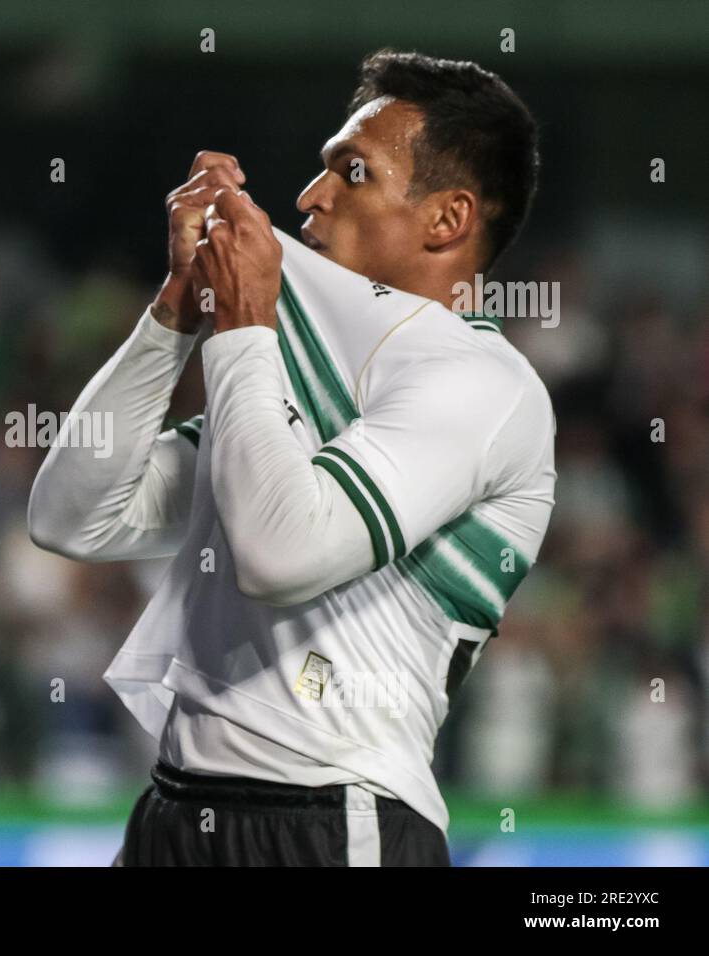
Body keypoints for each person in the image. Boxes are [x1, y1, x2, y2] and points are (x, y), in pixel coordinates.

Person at [28, 50, 555, 866]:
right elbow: (72, 516)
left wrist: (242, 322)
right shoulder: (291, 376)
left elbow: (281, 555)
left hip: (331, 820)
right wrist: (176, 312)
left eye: (353, 174)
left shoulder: (483, 385)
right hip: (173, 810)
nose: (310, 198)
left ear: (446, 221)